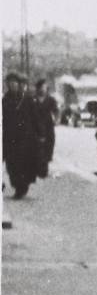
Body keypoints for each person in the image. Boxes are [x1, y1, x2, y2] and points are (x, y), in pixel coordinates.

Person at [2, 71, 40, 199]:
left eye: (15, 82)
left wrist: (39, 133)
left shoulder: (26, 99)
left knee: (23, 164)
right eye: (10, 82)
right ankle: (18, 186)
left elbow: (35, 117)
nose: (12, 85)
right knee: (11, 164)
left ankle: (22, 187)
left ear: (18, 84)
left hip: (25, 138)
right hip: (10, 137)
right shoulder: (5, 100)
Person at [34, 79, 58, 179]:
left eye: (45, 87)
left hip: (48, 126)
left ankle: (44, 168)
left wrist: (56, 118)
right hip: (36, 126)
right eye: (42, 87)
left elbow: (56, 111)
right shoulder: (33, 99)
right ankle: (37, 168)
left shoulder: (50, 100)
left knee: (48, 146)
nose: (43, 89)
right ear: (38, 88)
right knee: (37, 147)